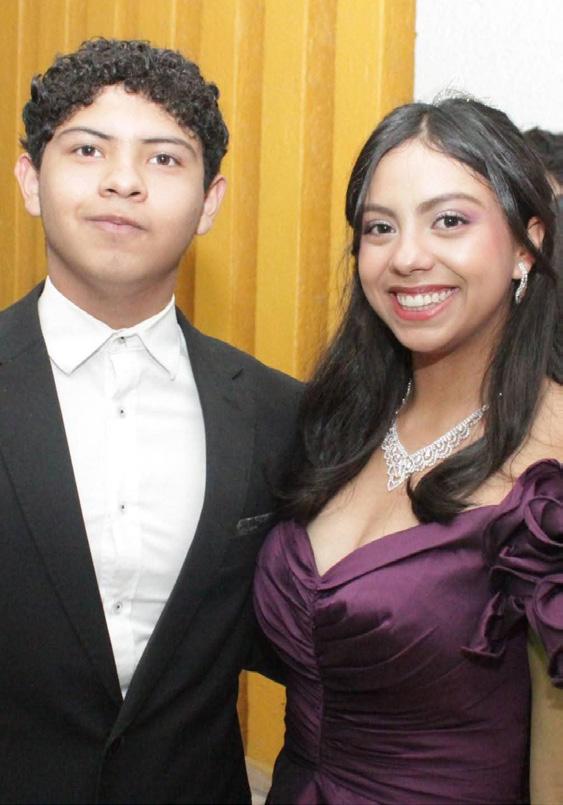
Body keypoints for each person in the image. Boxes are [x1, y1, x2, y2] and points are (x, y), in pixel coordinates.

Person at [2, 38, 300, 804]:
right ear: (30, 180)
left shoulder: (277, 412)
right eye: (88, 149)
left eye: (164, 158)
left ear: (209, 201)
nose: (124, 181)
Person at [254, 97, 563, 804]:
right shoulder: (337, 422)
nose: (407, 257)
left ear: (526, 244)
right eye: (380, 227)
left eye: (448, 220)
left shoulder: (550, 466)